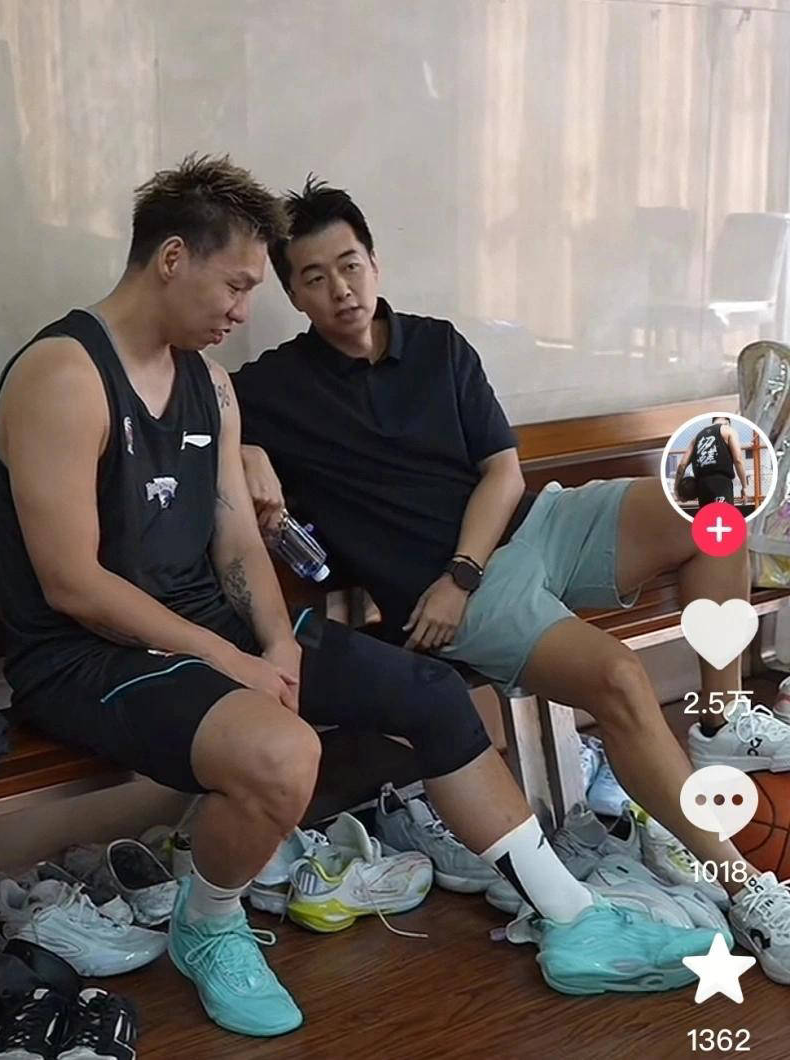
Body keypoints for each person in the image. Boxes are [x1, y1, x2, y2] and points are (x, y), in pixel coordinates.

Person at [0, 156, 720, 1037]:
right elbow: (72, 583)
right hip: (84, 655)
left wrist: (276, 641)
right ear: (173, 258)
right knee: (284, 755)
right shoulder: (64, 376)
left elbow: (235, 543)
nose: (243, 312)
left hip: (205, 626)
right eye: (238, 285)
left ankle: (573, 919)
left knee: (432, 692)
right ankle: (208, 924)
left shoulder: (208, 384)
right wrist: (228, 657)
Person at [232, 176, 790, 983]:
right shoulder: (275, 389)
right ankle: (748, 890)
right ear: (293, 295)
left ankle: (719, 717)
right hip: (459, 599)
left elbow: (501, 471)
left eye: (349, 266)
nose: (340, 290)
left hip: (525, 531)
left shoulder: (437, 346)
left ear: (374, 262)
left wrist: (466, 568)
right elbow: (197, 409)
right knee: (619, 680)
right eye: (314, 278)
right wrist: (247, 450)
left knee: (713, 506)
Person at [673, 416, 747, 509]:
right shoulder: (728, 430)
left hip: (702, 487)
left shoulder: (697, 437)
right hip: (721, 484)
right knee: (723, 516)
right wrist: (744, 487)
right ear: (727, 422)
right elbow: (738, 460)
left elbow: (682, 465)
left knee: (707, 516)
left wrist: (676, 488)